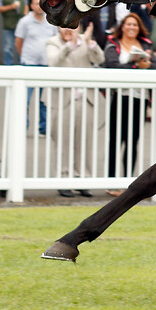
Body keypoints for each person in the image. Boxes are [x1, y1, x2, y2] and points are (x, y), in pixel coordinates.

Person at [46, 23, 104, 197]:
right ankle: (63, 179)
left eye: (71, 27)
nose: (67, 30)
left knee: (84, 141)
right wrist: (69, 45)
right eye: (63, 27)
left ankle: (82, 179)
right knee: (63, 141)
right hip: (64, 100)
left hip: (86, 99)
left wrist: (90, 42)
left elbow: (99, 59)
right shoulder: (52, 42)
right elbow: (53, 62)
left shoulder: (86, 41)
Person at [103, 13, 156, 188]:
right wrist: (135, 66)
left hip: (139, 98)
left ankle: (128, 180)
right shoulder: (113, 43)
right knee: (115, 139)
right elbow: (111, 65)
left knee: (132, 140)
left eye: (135, 25)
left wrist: (148, 66)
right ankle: (111, 181)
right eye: (128, 24)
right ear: (123, 27)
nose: (132, 27)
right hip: (120, 97)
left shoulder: (146, 44)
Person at [15, 0, 57, 136]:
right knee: (24, 99)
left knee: (44, 100)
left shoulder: (51, 21)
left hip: (46, 66)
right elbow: (18, 42)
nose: (39, 6)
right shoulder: (25, 21)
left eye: (41, 4)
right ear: (31, 6)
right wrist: (26, 56)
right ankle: (22, 127)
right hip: (29, 65)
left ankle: (43, 128)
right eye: (36, 4)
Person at [0, 0, 29, 65]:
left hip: (21, 24)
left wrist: (25, 14)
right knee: (8, 48)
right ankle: (8, 66)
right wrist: (11, 7)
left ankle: (22, 64)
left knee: (21, 46)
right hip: (9, 25)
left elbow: (26, 4)